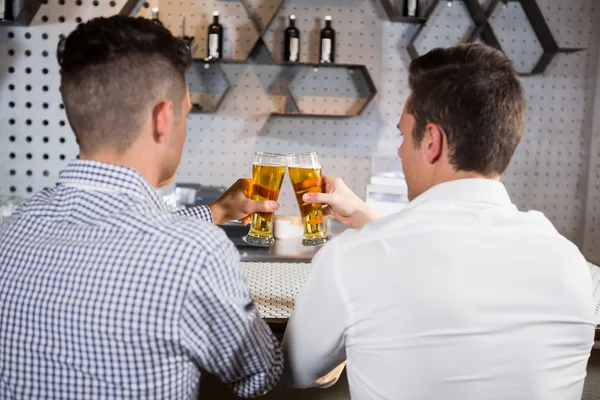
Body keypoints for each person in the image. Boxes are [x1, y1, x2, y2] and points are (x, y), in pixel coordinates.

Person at [282, 43, 596, 399]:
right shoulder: (570, 263)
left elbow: (297, 370)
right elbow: (460, 254)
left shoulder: (350, 260)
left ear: (432, 141)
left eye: (403, 135)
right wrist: (368, 221)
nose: (400, 151)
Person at [0, 16, 283, 399]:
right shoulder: (195, 255)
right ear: (163, 119)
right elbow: (259, 375)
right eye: (186, 112)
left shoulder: (14, 231)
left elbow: (113, 232)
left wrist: (216, 211)